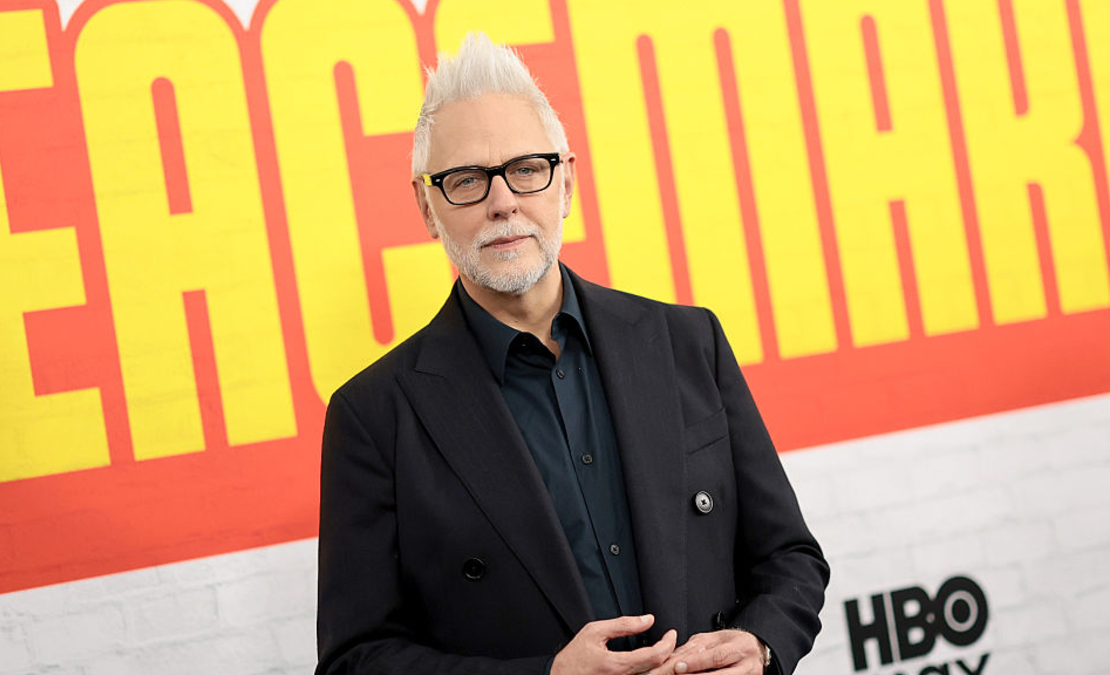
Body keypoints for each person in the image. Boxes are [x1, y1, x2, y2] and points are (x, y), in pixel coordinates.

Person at [316, 32, 829, 675]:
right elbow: (355, 661)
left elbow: (790, 557)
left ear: (566, 182)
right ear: (428, 207)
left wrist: (761, 644)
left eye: (527, 169)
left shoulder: (686, 343)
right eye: (467, 180)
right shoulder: (374, 417)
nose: (503, 202)